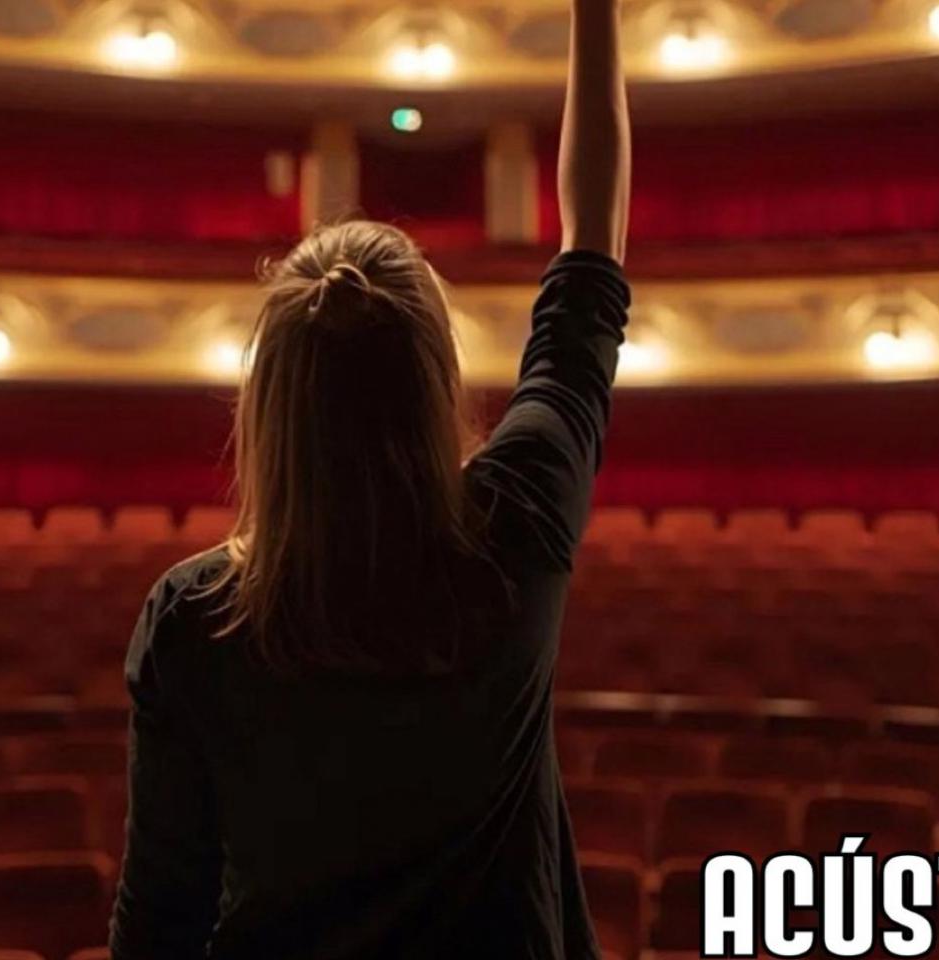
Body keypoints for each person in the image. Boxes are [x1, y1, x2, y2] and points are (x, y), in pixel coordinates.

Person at [108, 0, 631, 955]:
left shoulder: (191, 619)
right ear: (435, 382)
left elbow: (159, 924)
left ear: (269, 409)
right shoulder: (516, 529)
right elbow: (590, 259)